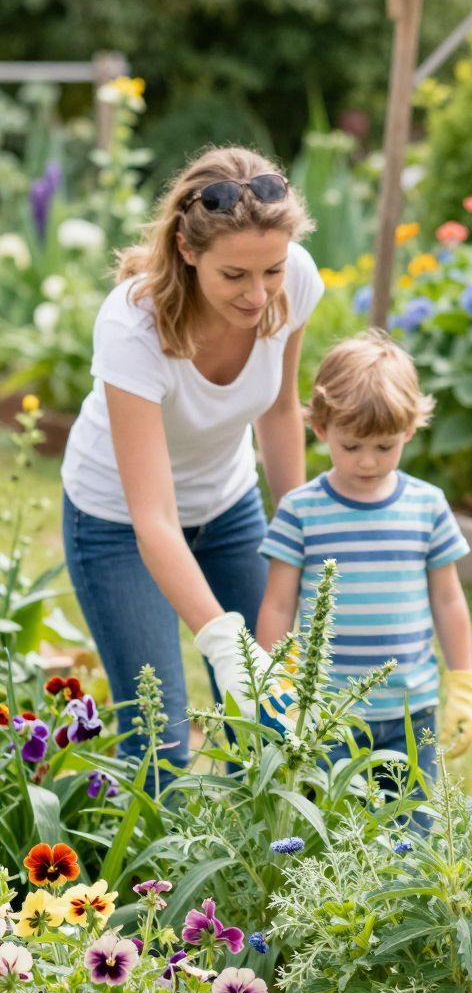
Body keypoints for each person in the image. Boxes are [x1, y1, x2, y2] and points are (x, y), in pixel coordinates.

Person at [62, 147, 324, 767]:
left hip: (228, 509)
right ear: (186, 250)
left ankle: (251, 863)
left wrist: (295, 538)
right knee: (164, 742)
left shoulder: (297, 278)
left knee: (269, 720)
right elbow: (152, 517)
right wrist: (225, 644)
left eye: (272, 271)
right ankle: (147, 868)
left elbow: (281, 411)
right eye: (234, 276)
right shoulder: (134, 325)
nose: (258, 295)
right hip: (117, 526)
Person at [255, 329, 472, 780]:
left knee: (411, 833)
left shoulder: (427, 506)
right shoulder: (301, 510)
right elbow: (278, 603)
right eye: (351, 446)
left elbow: (448, 599)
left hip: (410, 709)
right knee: (330, 833)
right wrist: (271, 685)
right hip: (324, 711)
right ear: (321, 429)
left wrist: (463, 683)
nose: (367, 462)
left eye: (385, 446)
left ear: (409, 430)